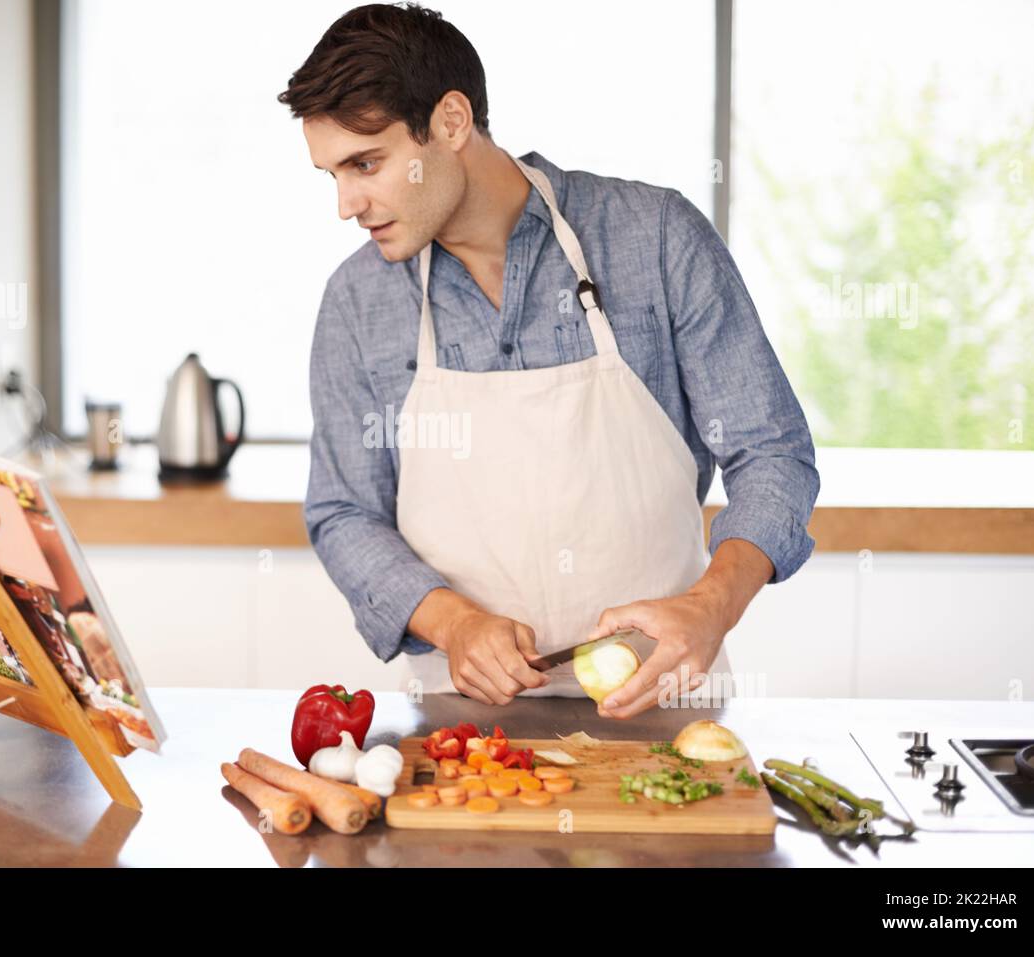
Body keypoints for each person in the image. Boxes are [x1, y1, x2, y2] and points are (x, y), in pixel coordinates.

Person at [278, 3, 819, 717]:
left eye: (366, 164)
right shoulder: (358, 300)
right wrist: (456, 624)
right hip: (463, 726)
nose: (347, 203)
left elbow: (772, 453)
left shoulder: (656, 239)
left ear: (449, 121)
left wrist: (710, 607)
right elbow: (345, 510)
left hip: (667, 701)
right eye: (333, 175)